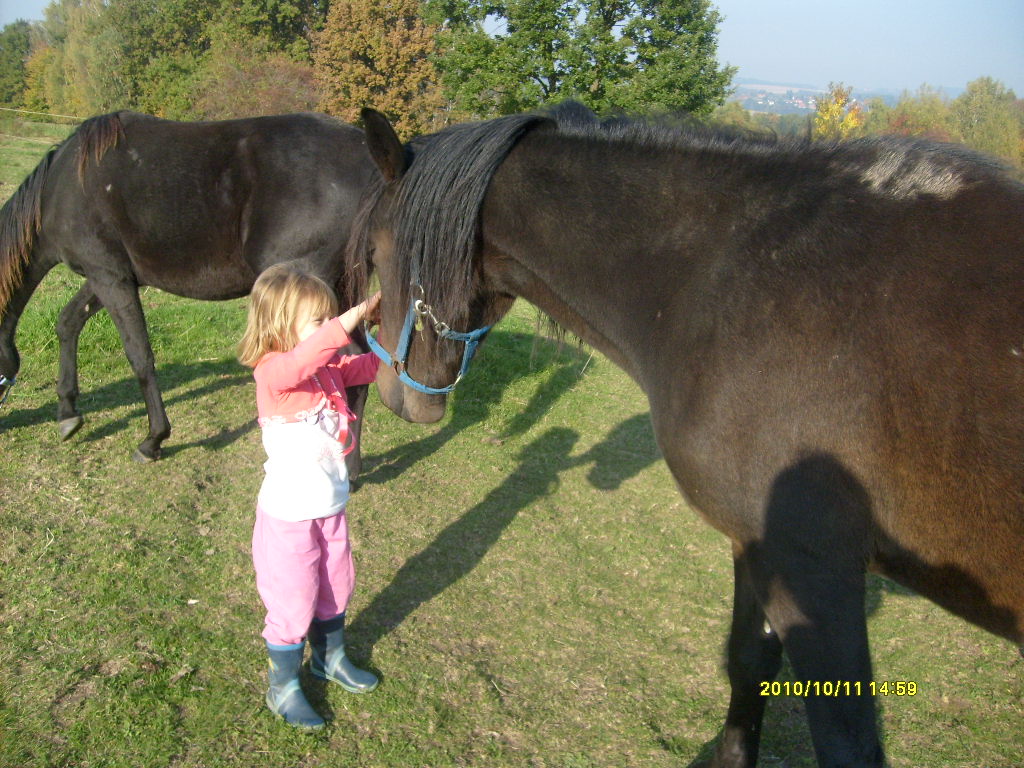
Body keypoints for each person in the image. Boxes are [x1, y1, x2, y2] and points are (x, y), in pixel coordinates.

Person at [238, 263, 382, 730]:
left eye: (329, 318)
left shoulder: (328, 372)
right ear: (280, 325)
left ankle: (329, 659)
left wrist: (397, 341)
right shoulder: (275, 376)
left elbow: (367, 366)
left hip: (331, 508)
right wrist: (351, 319)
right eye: (317, 321)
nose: (328, 329)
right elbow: (306, 358)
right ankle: (283, 686)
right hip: (289, 519)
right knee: (293, 601)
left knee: (337, 587)